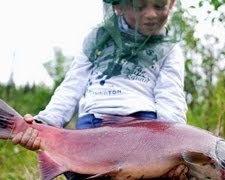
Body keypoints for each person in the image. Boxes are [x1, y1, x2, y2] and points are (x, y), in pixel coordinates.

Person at [12, 0, 189, 179]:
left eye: (159, 6)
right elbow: (71, 87)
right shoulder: (98, 39)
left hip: (144, 128)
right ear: (119, 6)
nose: (151, 14)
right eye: (139, 6)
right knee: (81, 171)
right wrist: (46, 122)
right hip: (94, 124)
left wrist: (176, 147)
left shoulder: (170, 50)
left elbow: (171, 97)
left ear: (172, 3)